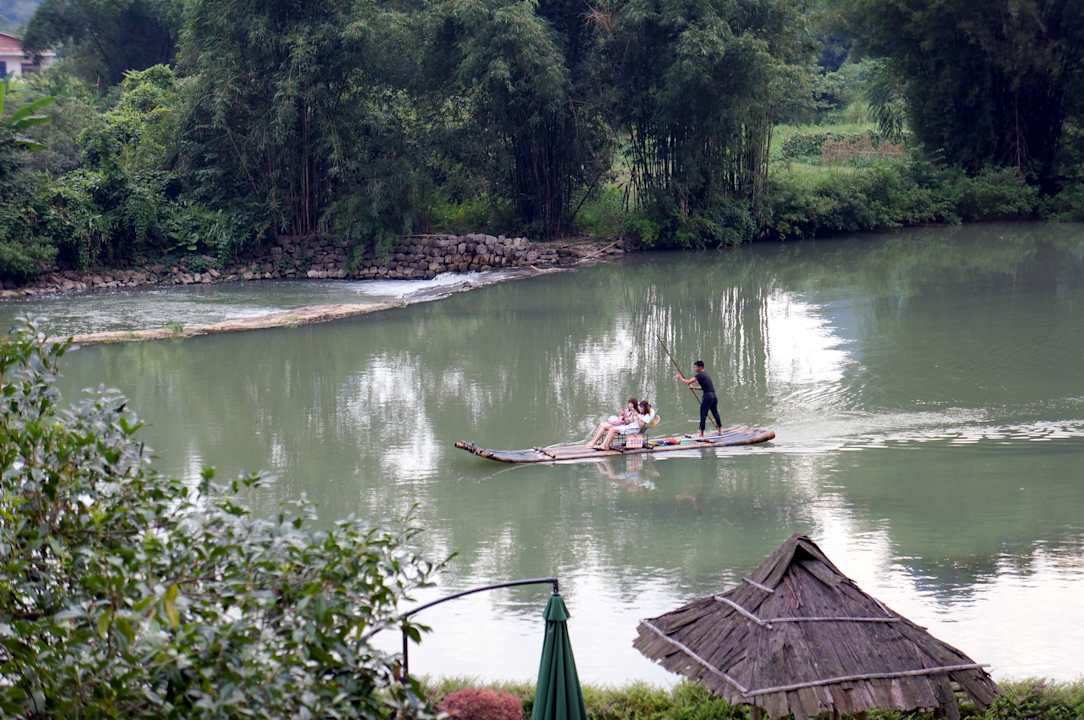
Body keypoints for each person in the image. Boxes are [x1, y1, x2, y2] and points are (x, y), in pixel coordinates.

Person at [676, 360, 721, 438]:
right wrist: (694, 388)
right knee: (715, 413)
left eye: (695, 367)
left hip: (707, 397)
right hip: (713, 396)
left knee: (703, 414)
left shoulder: (699, 375)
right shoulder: (706, 374)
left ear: (700, 367)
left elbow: (687, 382)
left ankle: (701, 434)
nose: (694, 368)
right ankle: (720, 430)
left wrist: (680, 378)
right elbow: (705, 387)